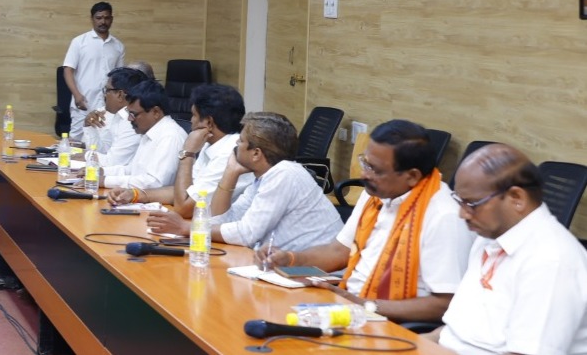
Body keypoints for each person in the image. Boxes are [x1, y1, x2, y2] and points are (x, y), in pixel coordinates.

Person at [258, 120, 474, 323]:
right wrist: (290, 259)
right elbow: (339, 251)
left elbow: (444, 304)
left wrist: (364, 305)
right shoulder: (376, 194)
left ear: (412, 176)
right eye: (365, 163)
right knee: (267, 314)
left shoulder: (444, 216)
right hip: (350, 305)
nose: (364, 174)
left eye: (375, 169)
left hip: (391, 322)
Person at [431, 144, 587, 354]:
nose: (462, 214)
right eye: (460, 201)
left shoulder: (551, 262)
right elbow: (456, 332)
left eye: (472, 203)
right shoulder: (489, 235)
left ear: (517, 198)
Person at [146, 112, 341, 251]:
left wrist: (187, 228)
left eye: (240, 142)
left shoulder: (285, 174)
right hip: (285, 269)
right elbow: (222, 220)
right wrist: (230, 173)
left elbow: (247, 234)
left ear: (256, 153)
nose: (235, 146)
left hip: (319, 276)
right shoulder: (262, 179)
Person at [107, 84, 255, 218]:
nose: (191, 121)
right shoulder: (210, 145)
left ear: (209, 122)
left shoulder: (228, 154)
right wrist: (136, 194)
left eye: (194, 115)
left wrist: (187, 153)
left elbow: (183, 207)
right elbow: (186, 192)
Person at [102, 81, 187, 189]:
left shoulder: (170, 137)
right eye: (128, 113)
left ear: (156, 112)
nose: (129, 119)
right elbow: (131, 170)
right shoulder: (149, 133)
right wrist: (100, 172)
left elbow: (154, 182)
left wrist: (105, 181)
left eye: (133, 114)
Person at [61, 1, 125, 142]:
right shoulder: (79, 42)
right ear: (92, 19)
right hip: (84, 101)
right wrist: (77, 95)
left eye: (106, 18)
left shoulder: (118, 46)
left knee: (102, 140)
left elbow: (119, 77)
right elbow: (68, 70)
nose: (103, 21)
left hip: (107, 105)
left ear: (111, 19)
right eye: (99, 18)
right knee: (76, 141)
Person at [89, 67, 150, 167]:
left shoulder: (132, 121)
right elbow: (105, 150)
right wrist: (89, 127)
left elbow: (112, 163)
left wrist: (85, 155)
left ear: (120, 95)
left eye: (107, 90)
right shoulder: (119, 116)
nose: (104, 96)